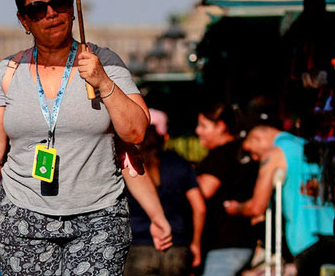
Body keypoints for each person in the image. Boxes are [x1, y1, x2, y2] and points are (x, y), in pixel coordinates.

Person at [0, 0, 157, 275]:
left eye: (59, 2)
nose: (51, 13)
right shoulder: (9, 71)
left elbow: (136, 131)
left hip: (99, 215)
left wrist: (103, 82)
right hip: (23, 215)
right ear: (24, 20)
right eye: (37, 9)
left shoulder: (106, 63)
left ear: (73, 9)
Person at [225, 123, 335, 276]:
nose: (255, 158)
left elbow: (257, 206)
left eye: (250, 151)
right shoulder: (307, 145)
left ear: (257, 138)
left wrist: (236, 208)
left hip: (305, 237)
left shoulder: (274, 153)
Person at [124, 124, 206, 276]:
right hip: (176, 245)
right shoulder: (180, 164)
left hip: (139, 245)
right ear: (164, 140)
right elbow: (199, 207)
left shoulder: (131, 168)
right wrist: (195, 243)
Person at [194, 103, 259, 275]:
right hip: (240, 241)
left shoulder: (220, 155)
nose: (198, 131)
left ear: (221, 126)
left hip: (224, 244)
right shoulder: (241, 152)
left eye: (203, 126)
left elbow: (205, 190)